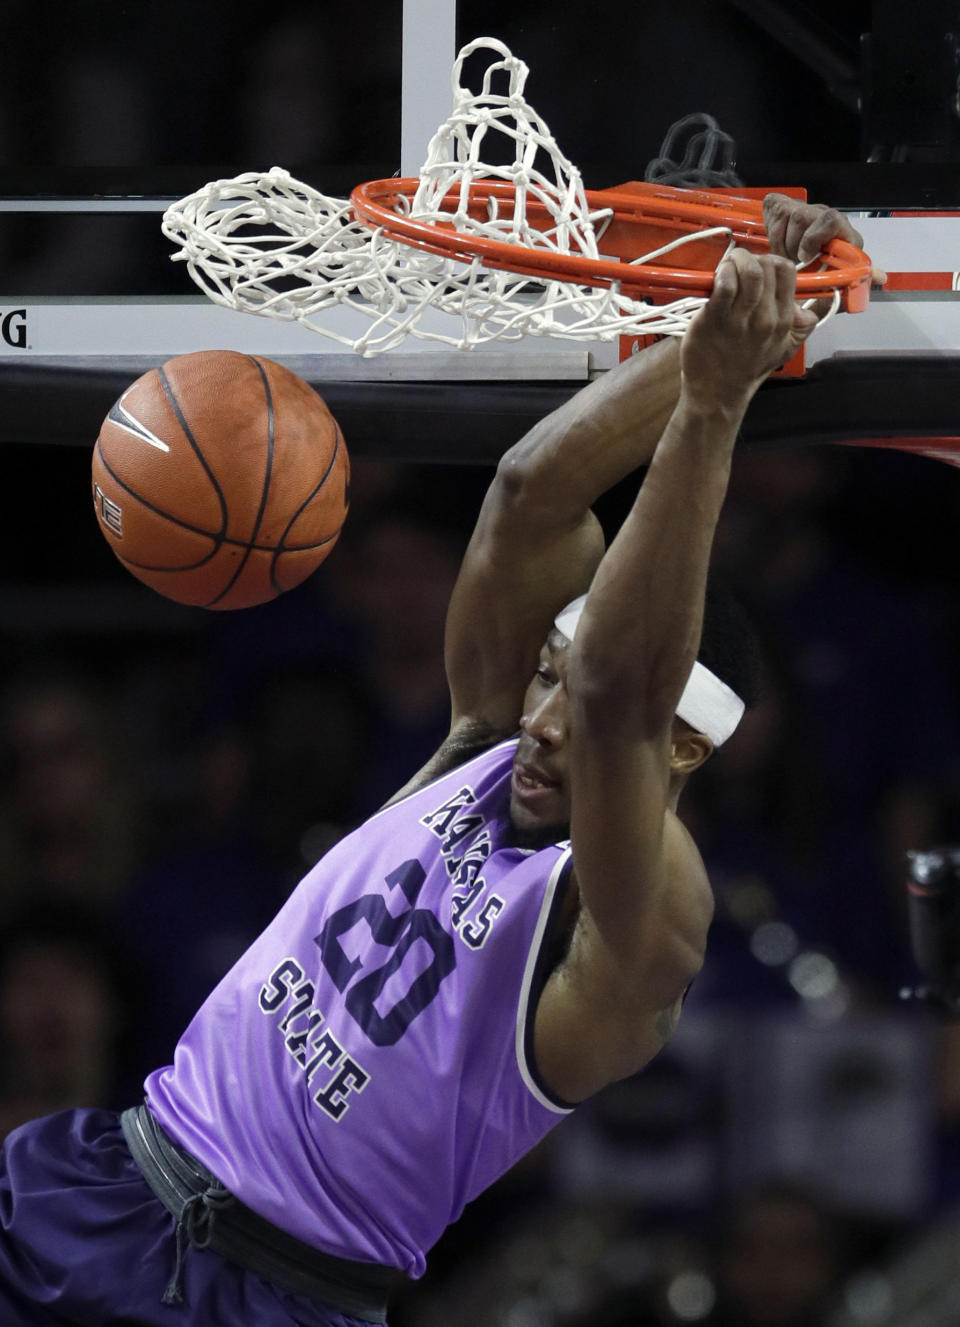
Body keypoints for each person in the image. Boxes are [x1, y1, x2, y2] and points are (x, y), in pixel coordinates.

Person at [0, 195, 868, 1326]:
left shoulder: (649, 919)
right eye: (543, 668)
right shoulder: (484, 746)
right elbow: (528, 491)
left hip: (262, 1294)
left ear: (690, 744)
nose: (544, 710)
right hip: (110, 1175)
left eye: (573, 679)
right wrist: (725, 333)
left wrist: (717, 403)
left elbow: (615, 692)